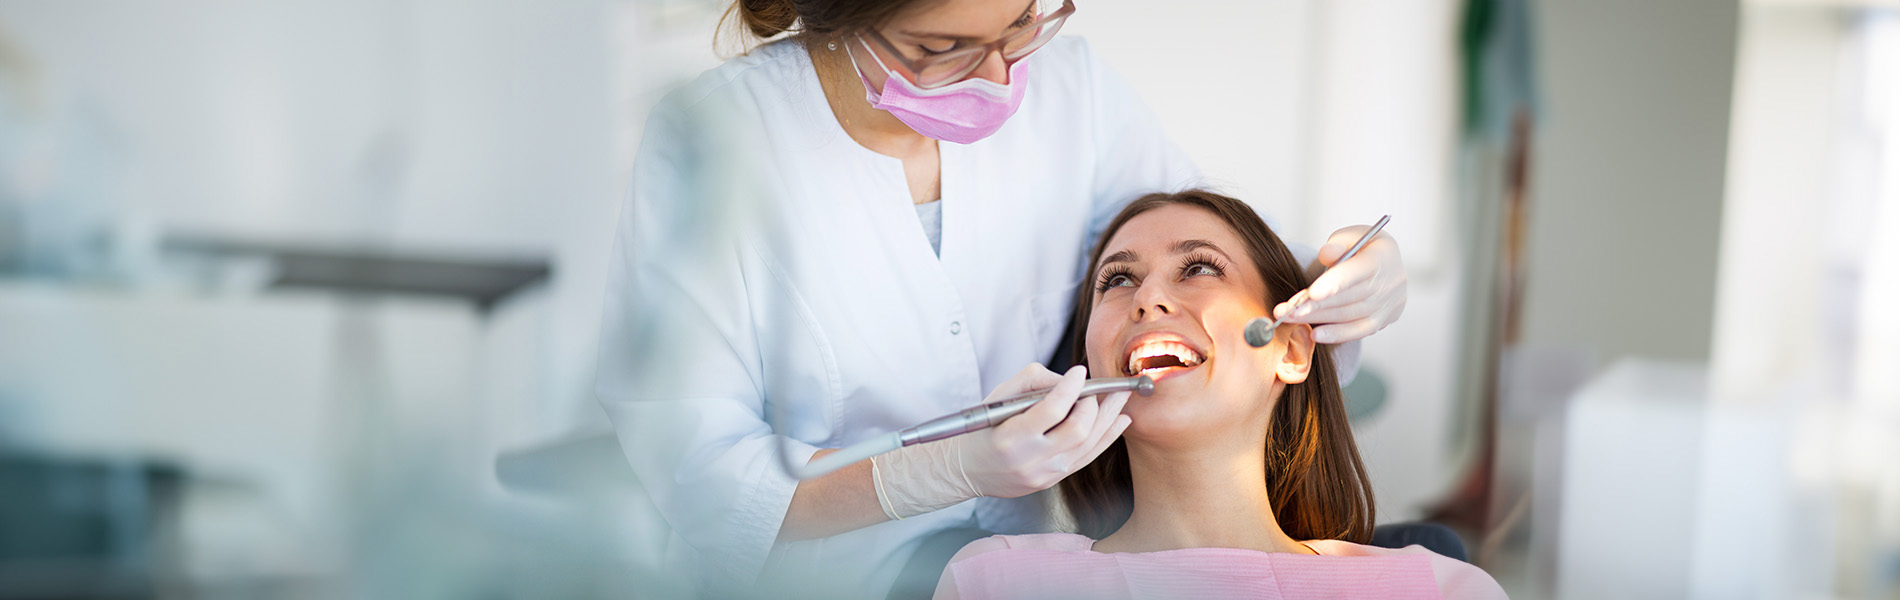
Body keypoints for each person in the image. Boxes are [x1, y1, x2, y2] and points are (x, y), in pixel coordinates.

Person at [594, 0, 1411, 596]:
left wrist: (1330, 273)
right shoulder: (716, 143)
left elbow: (1198, 247)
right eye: (942, 46)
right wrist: (935, 473)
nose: (998, 75)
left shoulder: (1074, 94)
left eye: (1021, 23)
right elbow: (702, 474)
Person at [932, 190, 1501, 599]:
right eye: (1118, 280)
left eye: (1199, 268)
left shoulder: (1442, 589)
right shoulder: (994, 580)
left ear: (1293, 351)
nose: (1148, 296)